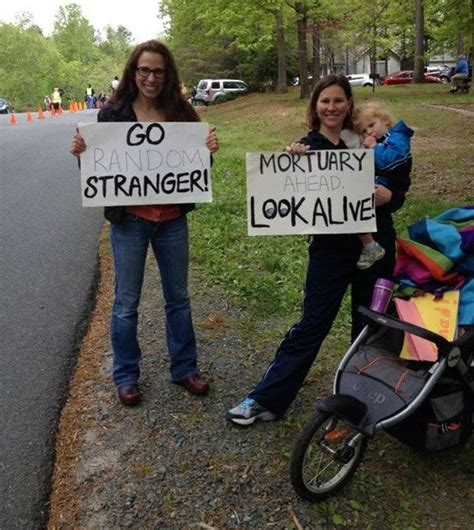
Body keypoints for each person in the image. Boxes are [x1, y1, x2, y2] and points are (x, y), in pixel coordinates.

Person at [227, 75, 410, 425]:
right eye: (325, 101)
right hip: (329, 252)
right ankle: (265, 399)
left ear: (348, 104)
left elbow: (399, 182)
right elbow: (287, 193)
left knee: (369, 327)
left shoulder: (369, 142)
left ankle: (365, 402)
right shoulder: (305, 148)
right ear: (315, 107)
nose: (331, 107)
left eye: (338, 100)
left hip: (377, 249)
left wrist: (393, 197)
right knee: (312, 324)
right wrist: (289, 162)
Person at [70, 40, 219, 407]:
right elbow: (98, 172)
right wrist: (81, 154)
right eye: (144, 70)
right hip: (130, 222)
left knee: (178, 299)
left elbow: (195, 171)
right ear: (133, 73)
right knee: (126, 302)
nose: (151, 78)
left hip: (171, 221)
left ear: (168, 75)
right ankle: (126, 375)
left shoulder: (182, 114)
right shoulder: (113, 115)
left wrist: (208, 152)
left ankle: (185, 369)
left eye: (158, 71)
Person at [352, 102, 414, 269]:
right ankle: (370, 245)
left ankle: (371, 247)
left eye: (372, 125)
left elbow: (390, 162)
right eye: (364, 131)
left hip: (388, 192)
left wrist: (373, 147)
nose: (369, 132)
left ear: (385, 121)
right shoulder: (383, 141)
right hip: (379, 192)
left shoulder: (398, 138)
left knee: (356, 210)